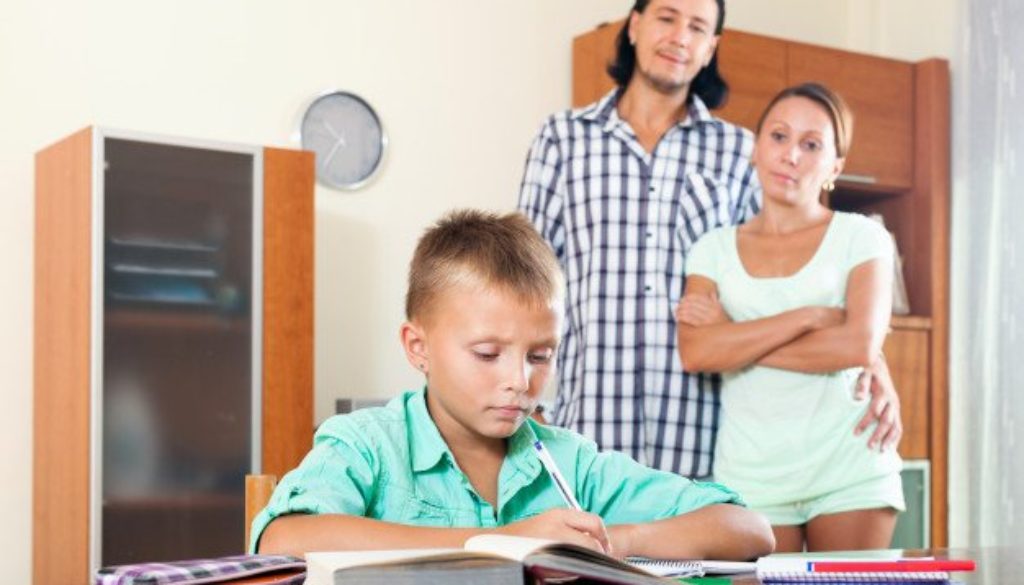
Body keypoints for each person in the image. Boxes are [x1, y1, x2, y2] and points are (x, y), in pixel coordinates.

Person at [518, 0, 901, 480]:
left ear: (710, 48)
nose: (680, 36)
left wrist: (874, 362)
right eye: (667, 17)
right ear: (634, 26)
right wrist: (523, 397)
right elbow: (525, 284)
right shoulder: (562, 139)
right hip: (587, 428)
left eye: (698, 27)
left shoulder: (740, 152)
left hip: (703, 435)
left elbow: (778, 279)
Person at [250, 209, 775, 559]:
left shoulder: (571, 464)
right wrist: (501, 541)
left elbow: (748, 529)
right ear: (418, 347)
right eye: (487, 354)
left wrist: (615, 540)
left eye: (541, 355)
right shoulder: (365, 444)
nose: (520, 381)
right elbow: (283, 539)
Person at [676, 83, 905, 552]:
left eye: (811, 144)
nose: (791, 155)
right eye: (778, 137)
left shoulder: (863, 238)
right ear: (756, 149)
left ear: (834, 167)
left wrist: (733, 340)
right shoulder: (712, 249)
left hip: (850, 466)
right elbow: (697, 352)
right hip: (751, 474)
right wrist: (810, 316)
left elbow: (856, 346)